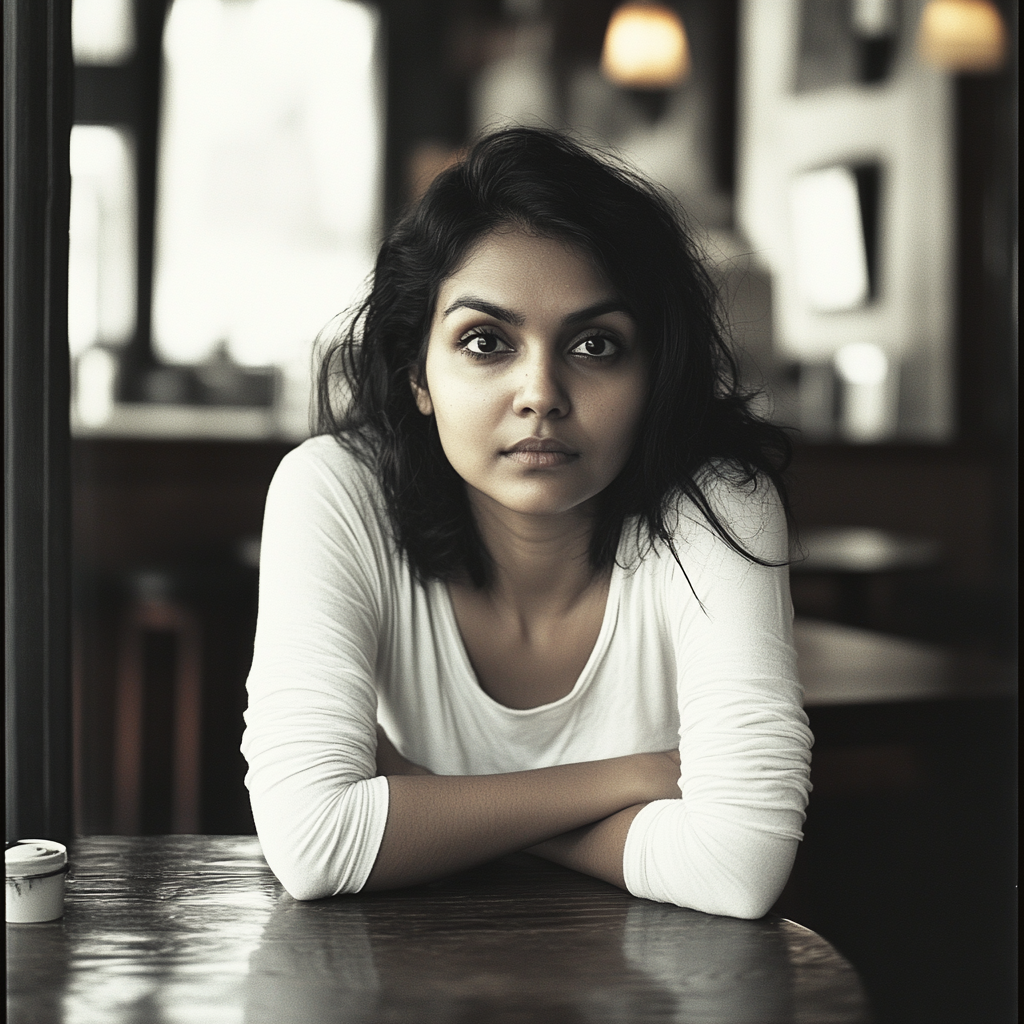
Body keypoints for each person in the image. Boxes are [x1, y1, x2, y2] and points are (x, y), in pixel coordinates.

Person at [241, 127, 813, 918]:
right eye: (485, 342)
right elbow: (313, 842)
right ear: (418, 375)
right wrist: (628, 779)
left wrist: (420, 797)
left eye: (595, 344)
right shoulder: (335, 493)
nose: (540, 392)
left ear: (655, 373)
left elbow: (738, 866)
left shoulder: (718, 505)